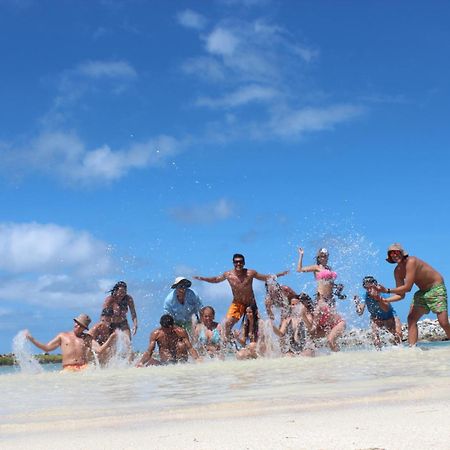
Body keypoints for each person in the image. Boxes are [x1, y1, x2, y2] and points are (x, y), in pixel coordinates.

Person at [194, 253, 289, 340]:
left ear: (244, 263)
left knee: (258, 326)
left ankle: (269, 342)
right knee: (226, 324)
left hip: (251, 304)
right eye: (236, 262)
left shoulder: (250, 273)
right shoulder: (228, 275)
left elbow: (265, 278)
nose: (238, 263)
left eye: (240, 261)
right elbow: (216, 279)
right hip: (237, 303)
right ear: (233, 263)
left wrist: (279, 274)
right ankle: (227, 345)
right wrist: (203, 278)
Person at [375, 243, 450, 346]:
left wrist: (386, 290)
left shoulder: (411, 261)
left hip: (436, 288)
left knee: (443, 322)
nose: (394, 255)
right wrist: (385, 300)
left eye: (396, 252)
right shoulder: (397, 271)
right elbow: (401, 295)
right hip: (422, 292)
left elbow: (408, 288)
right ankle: (412, 350)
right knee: (411, 319)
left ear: (401, 253)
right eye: (391, 253)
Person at [25, 314, 114, 371]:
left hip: (84, 367)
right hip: (68, 368)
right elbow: (47, 348)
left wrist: (111, 338)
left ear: (84, 328)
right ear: (74, 323)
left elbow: (100, 350)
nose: (78, 326)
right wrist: (31, 339)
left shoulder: (87, 338)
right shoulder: (63, 336)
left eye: (81, 326)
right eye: (77, 323)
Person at [354, 276, 402, 348]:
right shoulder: (364, 295)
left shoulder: (383, 293)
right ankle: (379, 354)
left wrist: (377, 298)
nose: (369, 289)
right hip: (376, 318)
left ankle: (397, 353)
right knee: (376, 340)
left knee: (398, 335)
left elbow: (386, 308)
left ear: (375, 286)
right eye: (366, 287)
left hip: (390, 316)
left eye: (370, 287)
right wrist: (357, 304)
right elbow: (360, 313)